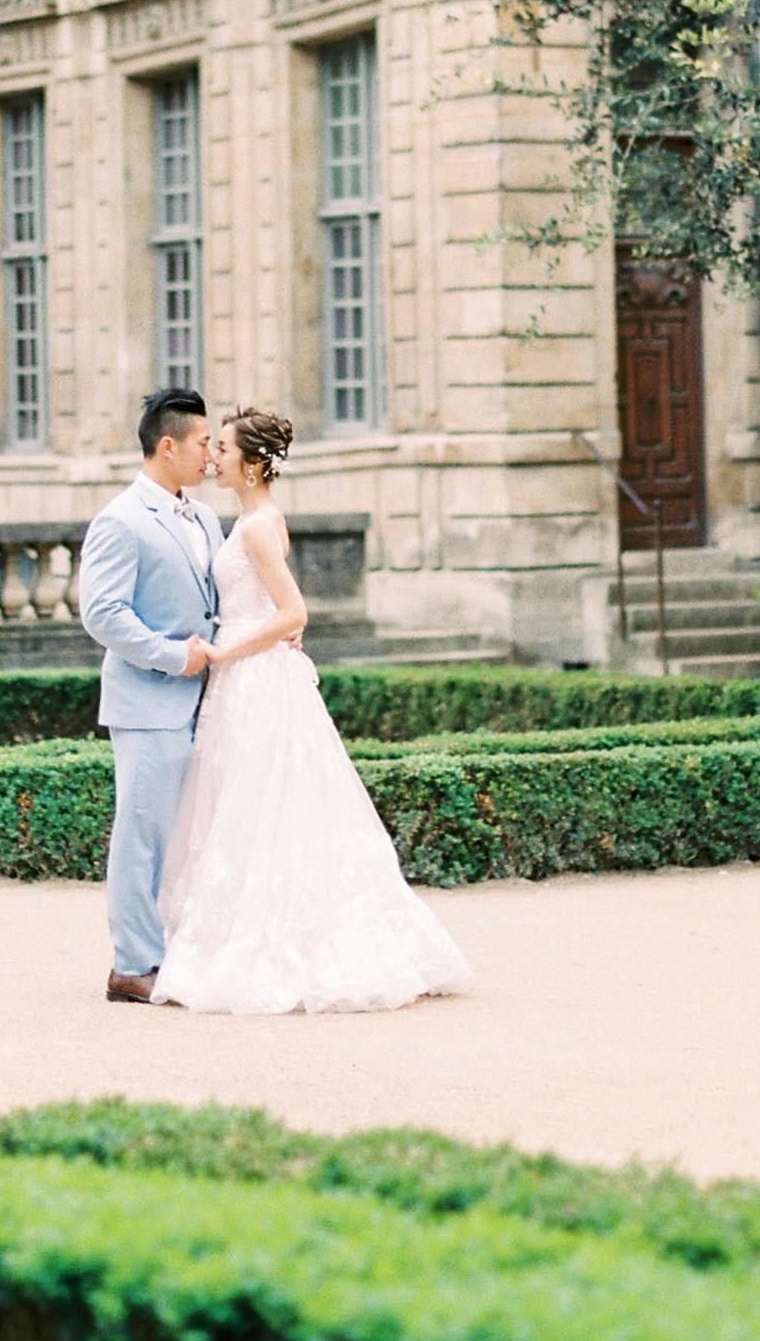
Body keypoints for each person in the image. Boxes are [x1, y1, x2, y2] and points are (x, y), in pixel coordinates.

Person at [151, 404, 473, 1016]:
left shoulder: (254, 528)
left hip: (253, 677)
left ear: (249, 463)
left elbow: (293, 613)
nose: (212, 457)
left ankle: (269, 942)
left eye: (221, 448)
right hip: (252, 675)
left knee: (258, 805)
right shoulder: (258, 519)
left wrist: (224, 649)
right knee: (255, 806)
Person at [75, 386, 221, 1002]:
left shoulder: (206, 517)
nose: (212, 455)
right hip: (149, 702)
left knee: (189, 833)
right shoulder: (120, 520)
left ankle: (175, 948)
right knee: (142, 834)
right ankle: (132, 964)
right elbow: (101, 613)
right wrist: (172, 657)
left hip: (208, 701)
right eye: (204, 443)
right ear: (169, 446)